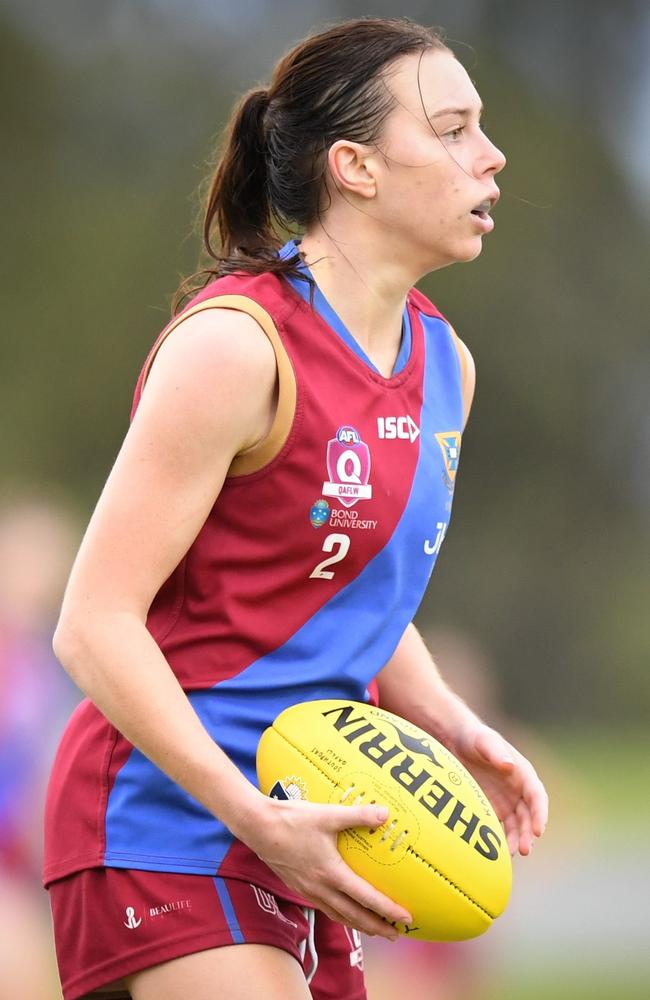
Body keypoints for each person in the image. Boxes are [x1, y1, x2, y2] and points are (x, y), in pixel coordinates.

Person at [44, 16, 548, 1000]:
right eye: (450, 129)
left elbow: (349, 592)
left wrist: (449, 721)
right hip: (162, 816)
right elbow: (92, 625)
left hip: (308, 816)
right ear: (355, 166)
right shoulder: (236, 349)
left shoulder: (446, 365)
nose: (488, 156)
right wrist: (248, 811)